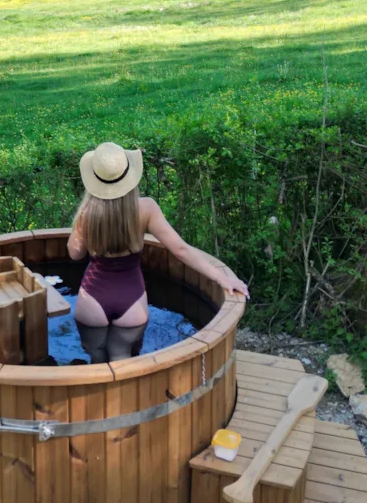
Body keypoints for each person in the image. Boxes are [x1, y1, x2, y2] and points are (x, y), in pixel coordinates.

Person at [68, 142, 249, 360]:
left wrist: (82, 220)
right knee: (123, 359)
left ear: (94, 180)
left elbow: (75, 254)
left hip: (92, 300)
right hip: (132, 301)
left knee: (96, 360)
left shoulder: (87, 213)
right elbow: (181, 250)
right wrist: (222, 278)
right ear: (129, 176)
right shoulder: (146, 208)